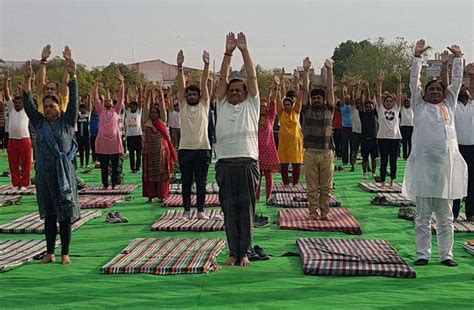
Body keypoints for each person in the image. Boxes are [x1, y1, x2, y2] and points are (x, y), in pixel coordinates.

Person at [403, 40, 467, 267]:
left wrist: (458, 59)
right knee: (422, 217)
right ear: (425, 93)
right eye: (430, 89)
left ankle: (446, 255)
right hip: (422, 169)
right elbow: (413, 82)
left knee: (446, 217)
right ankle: (423, 254)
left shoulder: (448, 106)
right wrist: (417, 57)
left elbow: (457, 83)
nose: (434, 92)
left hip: (444, 170)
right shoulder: (420, 107)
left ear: (443, 93)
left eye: (438, 90)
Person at [22, 58, 79, 265]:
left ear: (58, 106)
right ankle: (49, 252)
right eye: (45, 105)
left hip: (64, 177)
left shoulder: (67, 122)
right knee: (48, 216)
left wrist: (72, 76)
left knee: (64, 216)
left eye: (51, 105)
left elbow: (73, 100)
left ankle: (65, 253)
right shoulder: (39, 123)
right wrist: (27, 79)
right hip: (45, 177)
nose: (47, 108)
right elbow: (28, 103)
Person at [215, 32, 260, 267]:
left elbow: (251, 77)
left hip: (247, 164)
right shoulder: (221, 104)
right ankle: (234, 252)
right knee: (229, 212)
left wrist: (244, 51)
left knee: (246, 211)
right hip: (225, 164)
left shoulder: (252, 105)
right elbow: (222, 79)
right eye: (231, 90)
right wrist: (227, 53)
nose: (233, 93)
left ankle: (245, 252)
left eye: (238, 91)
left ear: (245, 94)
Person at [176, 49, 212, 220]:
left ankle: (200, 211)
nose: (191, 96)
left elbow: (204, 84)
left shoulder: (204, 104)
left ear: (199, 96)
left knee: (202, 183)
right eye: (189, 94)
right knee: (186, 183)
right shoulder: (183, 105)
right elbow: (181, 86)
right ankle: (187, 211)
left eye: (194, 94)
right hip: (185, 150)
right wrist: (180, 67)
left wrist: (206, 65)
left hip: (203, 149)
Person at [301, 57, 335, 221]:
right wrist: (306, 71)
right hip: (310, 153)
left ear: (323, 100)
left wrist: (329, 71)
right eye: (314, 98)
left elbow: (330, 91)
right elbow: (305, 92)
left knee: (326, 187)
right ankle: (313, 213)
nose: (316, 100)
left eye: (318, 98)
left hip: (326, 152)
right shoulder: (306, 110)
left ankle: (325, 213)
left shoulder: (329, 110)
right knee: (312, 187)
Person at [142, 82, 176, 202]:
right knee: (149, 176)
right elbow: (145, 108)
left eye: (155, 112)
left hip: (162, 155)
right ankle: (151, 196)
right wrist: (147, 93)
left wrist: (160, 93)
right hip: (149, 154)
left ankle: (162, 196)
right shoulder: (146, 122)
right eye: (152, 112)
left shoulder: (163, 121)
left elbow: (162, 106)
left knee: (162, 176)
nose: (153, 114)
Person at [94, 68, 125, 189]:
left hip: (115, 144)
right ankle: (105, 184)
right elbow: (95, 98)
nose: (107, 101)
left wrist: (121, 82)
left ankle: (114, 184)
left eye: (109, 100)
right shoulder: (101, 111)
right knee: (104, 167)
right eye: (105, 100)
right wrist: (96, 84)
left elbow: (121, 97)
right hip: (103, 144)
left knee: (116, 166)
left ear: (113, 102)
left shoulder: (116, 111)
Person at [3, 70, 32, 189]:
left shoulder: (26, 109)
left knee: (26, 163)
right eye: (16, 103)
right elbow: (6, 94)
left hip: (25, 139)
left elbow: (28, 95)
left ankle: (25, 183)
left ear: (23, 104)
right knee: (13, 162)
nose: (18, 104)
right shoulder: (11, 108)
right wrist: (5, 80)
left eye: (20, 103)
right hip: (12, 139)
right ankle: (16, 183)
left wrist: (28, 79)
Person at [376, 71, 402, 186]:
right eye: (387, 101)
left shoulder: (396, 109)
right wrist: (380, 82)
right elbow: (378, 95)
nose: (389, 103)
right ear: (384, 102)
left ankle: (392, 180)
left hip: (395, 138)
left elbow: (399, 95)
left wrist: (399, 82)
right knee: (383, 161)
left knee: (393, 161)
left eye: (391, 101)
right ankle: (382, 180)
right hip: (382, 138)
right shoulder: (380, 109)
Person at [276, 74, 303, 186]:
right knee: (284, 165)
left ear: (292, 105)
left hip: (296, 143)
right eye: (285, 105)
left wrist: (300, 88)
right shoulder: (281, 113)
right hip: (284, 143)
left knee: (297, 164)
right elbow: (277, 100)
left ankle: (295, 184)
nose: (286, 106)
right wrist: (277, 88)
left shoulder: (296, 112)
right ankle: (286, 184)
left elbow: (299, 100)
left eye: (288, 105)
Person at [257, 77, 280, 204]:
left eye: (264, 106)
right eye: (260, 106)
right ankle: (256, 196)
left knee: (269, 175)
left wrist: (275, 88)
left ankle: (268, 196)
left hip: (269, 149)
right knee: (257, 175)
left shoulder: (270, 117)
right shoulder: (254, 118)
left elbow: (273, 102)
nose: (262, 108)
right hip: (257, 150)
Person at [453, 83, 473, 221]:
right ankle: (453, 212)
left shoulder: (473, 105)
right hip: (457, 148)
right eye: (461, 90)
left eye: (466, 90)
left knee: (472, 181)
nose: (464, 92)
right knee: (456, 179)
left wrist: (472, 75)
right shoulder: (454, 106)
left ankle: (471, 212)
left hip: (473, 147)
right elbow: (451, 91)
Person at [36, 45, 70, 113]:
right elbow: (41, 80)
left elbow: (65, 82)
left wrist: (68, 61)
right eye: (47, 88)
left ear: (58, 92)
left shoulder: (62, 101)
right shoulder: (42, 100)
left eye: (52, 89)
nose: (49, 90)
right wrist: (43, 60)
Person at [359, 82, 378, 179]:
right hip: (365, 139)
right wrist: (363, 92)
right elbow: (362, 103)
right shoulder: (362, 114)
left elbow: (375, 102)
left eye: (370, 106)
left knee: (374, 158)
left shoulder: (375, 113)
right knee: (365, 158)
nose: (369, 107)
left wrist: (372, 91)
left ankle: (373, 172)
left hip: (374, 139)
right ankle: (365, 173)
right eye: (367, 106)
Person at [124, 100, 143, 173]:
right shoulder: (128, 112)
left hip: (138, 136)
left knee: (138, 154)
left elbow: (140, 103)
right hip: (130, 136)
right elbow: (125, 102)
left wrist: (140, 91)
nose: (132, 108)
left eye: (134, 107)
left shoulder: (138, 112)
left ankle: (137, 168)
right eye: (131, 107)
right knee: (131, 154)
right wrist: (126, 93)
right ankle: (132, 168)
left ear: (136, 107)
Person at [76, 101, 91, 169]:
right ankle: (81, 163)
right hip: (79, 136)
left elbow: (90, 107)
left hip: (86, 136)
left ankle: (87, 163)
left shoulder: (88, 115)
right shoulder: (78, 116)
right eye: (81, 108)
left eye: (83, 108)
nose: (82, 110)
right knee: (81, 151)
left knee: (87, 151)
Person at [340, 87, 353, 166]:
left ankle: (352, 160)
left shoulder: (352, 106)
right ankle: (345, 160)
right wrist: (343, 91)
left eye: (349, 99)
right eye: (346, 99)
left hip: (352, 127)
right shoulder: (342, 106)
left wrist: (352, 90)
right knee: (344, 144)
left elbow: (353, 97)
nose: (347, 100)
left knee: (352, 144)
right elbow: (342, 97)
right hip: (344, 127)